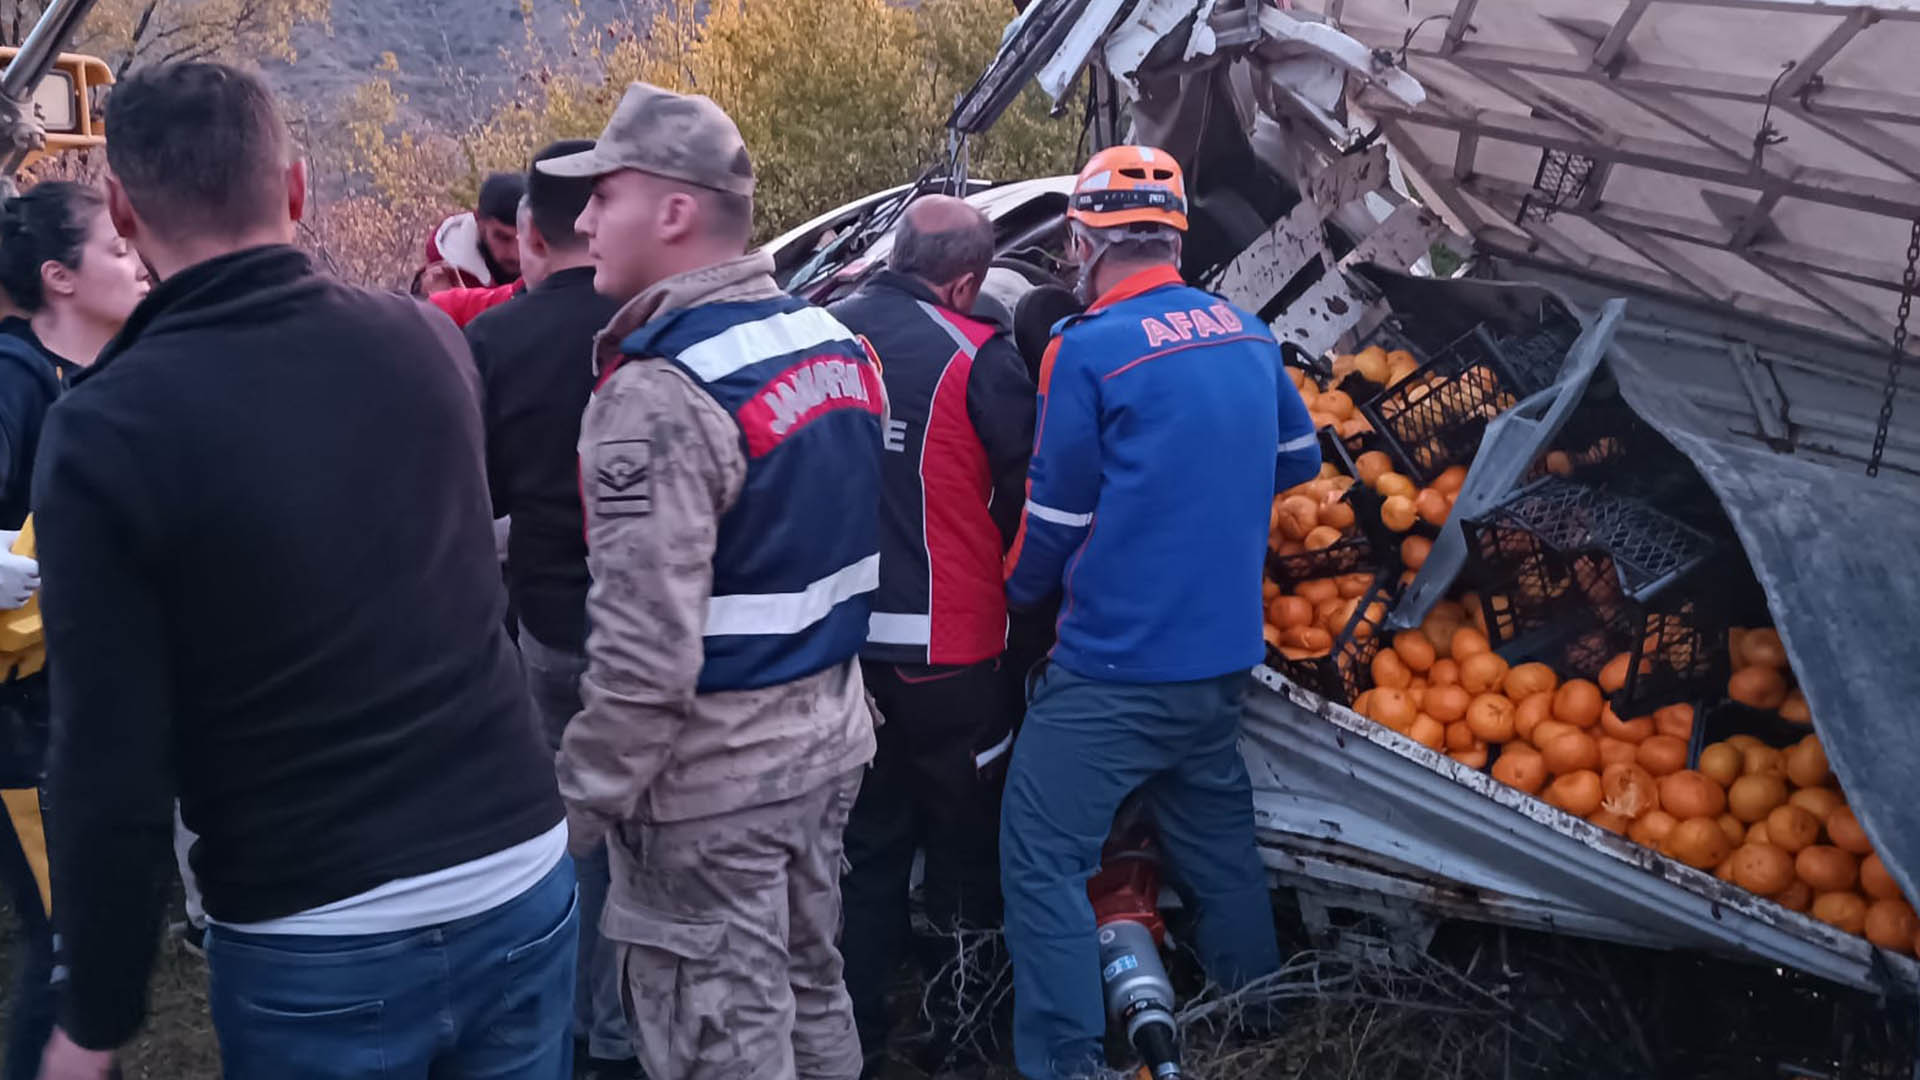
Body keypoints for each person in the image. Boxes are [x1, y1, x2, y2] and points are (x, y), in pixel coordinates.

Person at [33, 62, 576, 1080]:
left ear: (121, 207)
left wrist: (93, 1015)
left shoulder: (107, 428)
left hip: (319, 925)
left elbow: (109, 759)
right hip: (518, 866)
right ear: (295, 188)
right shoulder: (426, 341)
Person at [541, 82, 882, 1080]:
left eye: (604, 195)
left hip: (711, 794)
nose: (585, 219)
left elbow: (646, 662)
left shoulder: (657, 391)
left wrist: (571, 814)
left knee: (719, 1037)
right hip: (826, 748)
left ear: (676, 212)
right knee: (812, 991)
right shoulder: (829, 343)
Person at [998, 145, 1321, 1079]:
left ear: (1082, 241)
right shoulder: (1248, 334)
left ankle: (1063, 1062)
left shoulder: (1085, 349)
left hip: (1113, 668)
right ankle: (1260, 1018)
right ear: (1176, 238)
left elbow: (1054, 516)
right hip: (1219, 659)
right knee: (1217, 842)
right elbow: (1298, 461)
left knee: (1041, 854)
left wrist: (1017, 600)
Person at [827, 195, 1033, 1074]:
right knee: (962, 851)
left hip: (840, 651)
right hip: (949, 653)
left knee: (869, 847)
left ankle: (856, 1031)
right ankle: (965, 1033)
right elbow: (1036, 504)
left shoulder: (821, 337)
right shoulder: (978, 357)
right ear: (966, 281)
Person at [465, 140, 633, 1080]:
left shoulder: (495, 339)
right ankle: (648, 1025)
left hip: (557, 627)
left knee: (574, 837)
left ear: (529, 229)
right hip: (671, 629)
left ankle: (585, 1031)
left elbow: (474, 487)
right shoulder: (659, 316)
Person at [0, 180, 147, 1080]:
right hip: (27, 717)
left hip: (93, 697)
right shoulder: (14, 380)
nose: (135, 261)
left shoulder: (102, 377)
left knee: (101, 930)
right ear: (60, 277)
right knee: (68, 945)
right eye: (115, 250)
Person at [424, 171, 525, 288]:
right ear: (479, 222)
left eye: (525, 238)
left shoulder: (548, 267)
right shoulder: (445, 273)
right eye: (503, 238)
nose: (515, 253)